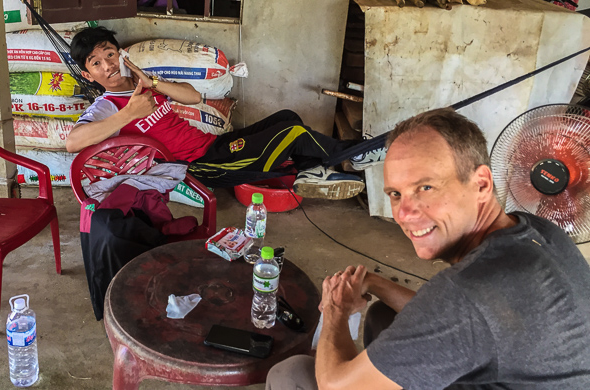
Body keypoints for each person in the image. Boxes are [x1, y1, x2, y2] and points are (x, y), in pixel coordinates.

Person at [266, 108, 590, 389]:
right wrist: (374, 282)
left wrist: (335, 308)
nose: (405, 213)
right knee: (383, 313)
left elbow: (336, 386)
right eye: (395, 194)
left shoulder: (473, 292)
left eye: (426, 187)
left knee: (292, 374)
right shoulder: (536, 231)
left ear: (481, 184)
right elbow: (454, 318)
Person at [66, 26, 369, 200]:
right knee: (291, 134)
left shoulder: (143, 83)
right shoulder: (107, 106)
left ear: (121, 54)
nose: (107, 65)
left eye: (109, 54)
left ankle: (309, 170)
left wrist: (153, 81)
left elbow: (194, 96)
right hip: (201, 164)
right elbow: (73, 142)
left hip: (213, 146)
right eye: (95, 62)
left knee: (287, 117)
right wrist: (127, 114)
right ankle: (355, 154)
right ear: (89, 74)